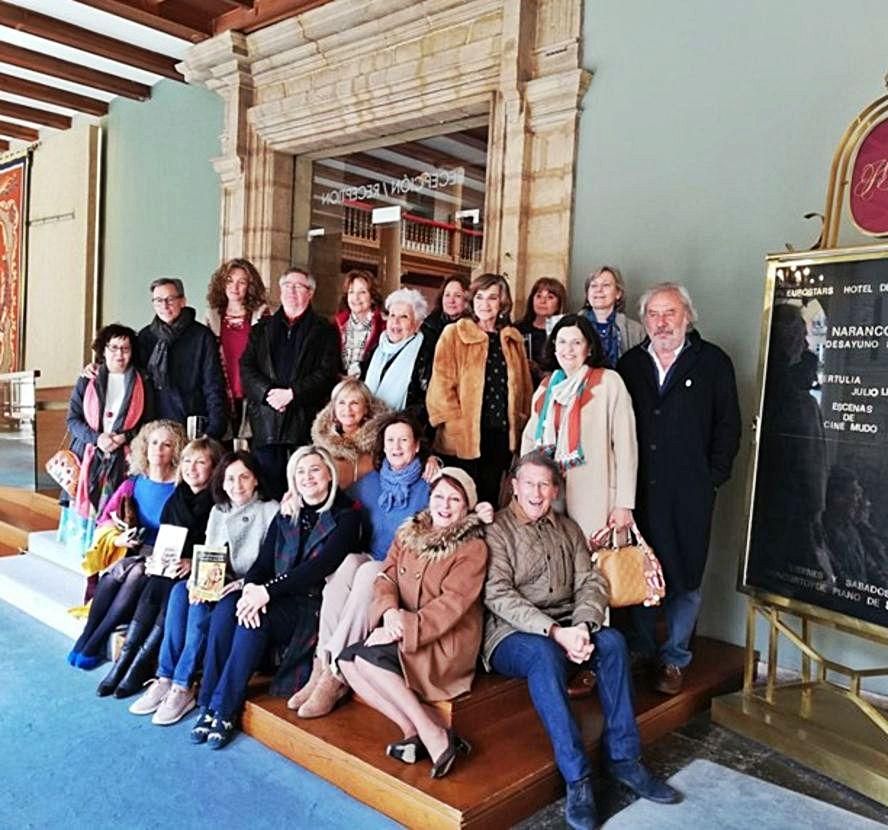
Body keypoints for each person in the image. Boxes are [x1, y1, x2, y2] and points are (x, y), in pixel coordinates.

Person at [484, 451, 680, 829]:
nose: (537, 493)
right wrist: (556, 632)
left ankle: (625, 760)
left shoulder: (569, 529)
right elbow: (498, 595)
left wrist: (585, 626)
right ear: (514, 486)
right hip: (512, 633)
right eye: (529, 484)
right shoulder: (499, 530)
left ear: (555, 488)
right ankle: (578, 778)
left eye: (545, 484)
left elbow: (591, 582)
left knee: (613, 643)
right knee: (544, 655)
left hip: (569, 625)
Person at [188, 446, 360, 749]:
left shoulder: (346, 516)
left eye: (315, 470)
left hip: (309, 605)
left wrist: (265, 592)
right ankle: (207, 704)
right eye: (300, 472)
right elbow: (263, 563)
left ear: (329, 475)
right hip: (275, 594)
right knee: (229, 606)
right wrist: (251, 588)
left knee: (256, 620)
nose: (308, 478)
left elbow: (317, 568)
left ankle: (225, 709)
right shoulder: (288, 513)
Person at [617, 282, 741, 695]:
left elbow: (729, 426)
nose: (661, 322)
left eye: (669, 313)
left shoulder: (712, 362)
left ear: (688, 315)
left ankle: (674, 658)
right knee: (639, 569)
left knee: (685, 574)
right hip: (638, 488)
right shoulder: (630, 364)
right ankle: (642, 648)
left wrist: (712, 477)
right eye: (653, 314)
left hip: (690, 492)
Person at [338, 467, 488, 779]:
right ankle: (413, 730)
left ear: (467, 506)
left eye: (454, 500)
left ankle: (433, 734)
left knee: (366, 661)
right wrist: (390, 614)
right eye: (439, 497)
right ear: (429, 499)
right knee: (347, 661)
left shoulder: (473, 547)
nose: (444, 506)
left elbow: (451, 606)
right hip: (403, 626)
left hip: (443, 642)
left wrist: (401, 626)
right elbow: (385, 576)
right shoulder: (409, 533)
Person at [289, 413, 432, 717]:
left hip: (403, 571)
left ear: (416, 446)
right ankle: (321, 660)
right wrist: (295, 496)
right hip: (371, 559)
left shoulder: (428, 484)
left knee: (368, 571)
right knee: (348, 564)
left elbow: (455, 503)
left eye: (403, 440)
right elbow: (329, 499)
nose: (396, 446)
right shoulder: (370, 483)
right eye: (390, 440)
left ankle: (335, 674)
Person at [129, 450, 278, 723]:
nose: (237, 485)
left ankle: (183, 686)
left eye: (244, 477)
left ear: (256, 479)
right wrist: (200, 581)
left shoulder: (271, 510)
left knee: (199, 608)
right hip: (217, 578)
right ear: (221, 482)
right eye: (230, 478)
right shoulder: (218, 511)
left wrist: (234, 585)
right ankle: (165, 677)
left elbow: (271, 563)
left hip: (246, 585)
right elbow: (209, 553)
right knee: (181, 592)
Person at [95, 437, 223, 698]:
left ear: (214, 467)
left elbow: (221, 549)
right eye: (187, 461)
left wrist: (191, 564)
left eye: (201, 462)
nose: (192, 468)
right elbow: (166, 538)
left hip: (197, 574)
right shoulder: (178, 496)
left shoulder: (218, 502)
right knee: (153, 588)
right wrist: (157, 558)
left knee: (169, 597)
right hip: (168, 565)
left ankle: (142, 663)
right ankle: (125, 660)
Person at [66, 420, 186, 669]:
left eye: (166, 444)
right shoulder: (132, 483)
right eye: (153, 442)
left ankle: (95, 641)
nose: (158, 449)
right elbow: (104, 521)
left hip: (164, 557)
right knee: (112, 575)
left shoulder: (181, 487)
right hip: (133, 549)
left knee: (135, 574)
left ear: (176, 449)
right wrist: (119, 539)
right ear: (144, 446)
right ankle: (86, 636)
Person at [521, 314, 637, 541]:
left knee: (592, 560)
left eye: (576, 342)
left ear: (589, 348)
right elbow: (529, 438)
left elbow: (626, 447)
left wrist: (624, 503)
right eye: (562, 342)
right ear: (553, 347)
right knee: (551, 556)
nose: (568, 349)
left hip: (596, 493)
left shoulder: (609, 382)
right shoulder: (547, 386)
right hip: (550, 491)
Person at [427, 273, 533, 505]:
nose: (485, 304)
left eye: (492, 298)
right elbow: (441, 386)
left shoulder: (512, 339)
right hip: (463, 436)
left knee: (490, 502)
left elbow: (524, 388)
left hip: (500, 435)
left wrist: (521, 421)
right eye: (480, 297)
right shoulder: (454, 333)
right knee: (458, 500)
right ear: (472, 301)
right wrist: (455, 424)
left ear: (502, 303)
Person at [240, 266, 341, 500]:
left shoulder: (324, 330)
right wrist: (268, 394)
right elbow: (246, 368)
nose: (291, 291)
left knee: (304, 491)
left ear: (310, 293)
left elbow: (326, 374)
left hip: (303, 422)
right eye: (287, 286)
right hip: (266, 423)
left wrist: (292, 394)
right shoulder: (261, 329)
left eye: (299, 286)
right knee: (268, 491)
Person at [60, 324, 154, 554]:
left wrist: (124, 437)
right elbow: (72, 419)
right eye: (113, 348)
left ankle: (109, 553)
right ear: (103, 350)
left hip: (124, 458)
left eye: (125, 348)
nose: (119, 354)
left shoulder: (143, 381)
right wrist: (97, 438)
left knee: (115, 510)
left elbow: (149, 421)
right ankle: (86, 556)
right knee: (86, 517)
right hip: (89, 456)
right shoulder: (88, 379)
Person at [138, 277, 226, 439]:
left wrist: (214, 429)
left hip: (192, 422)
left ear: (183, 301)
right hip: (154, 424)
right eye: (158, 300)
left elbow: (212, 384)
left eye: (170, 299)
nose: (164, 305)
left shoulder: (201, 336)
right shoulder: (145, 337)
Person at [204, 258, 269, 439]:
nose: (235, 287)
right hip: (222, 391)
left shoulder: (261, 314)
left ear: (250, 286)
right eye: (230, 281)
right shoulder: (212, 316)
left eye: (242, 282)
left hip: (252, 392)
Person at [310, 378, 390, 490]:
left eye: (354, 403)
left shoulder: (382, 439)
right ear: (334, 408)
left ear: (366, 408)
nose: (347, 409)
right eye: (342, 403)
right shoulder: (322, 443)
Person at [364, 287, 429, 414]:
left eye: (404, 316)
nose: (395, 321)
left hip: (401, 426)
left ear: (417, 324)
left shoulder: (425, 356)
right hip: (368, 423)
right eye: (392, 315)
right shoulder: (376, 347)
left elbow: (423, 405)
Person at [581, 266, 645, 368]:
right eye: (593, 286)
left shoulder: (636, 330)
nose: (599, 290)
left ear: (618, 293)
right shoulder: (570, 325)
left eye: (606, 285)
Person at [332, 269, 386, 378]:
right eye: (351, 292)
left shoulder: (383, 326)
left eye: (362, 292)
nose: (356, 297)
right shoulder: (336, 325)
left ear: (372, 297)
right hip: (339, 389)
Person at [516, 277, 567, 386]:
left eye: (550, 297)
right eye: (538, 296)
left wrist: (540, 372)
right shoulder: (518, 328)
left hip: (553, 389)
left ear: (559, 303)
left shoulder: (565, 332)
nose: (542, 301)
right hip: (522, 386)